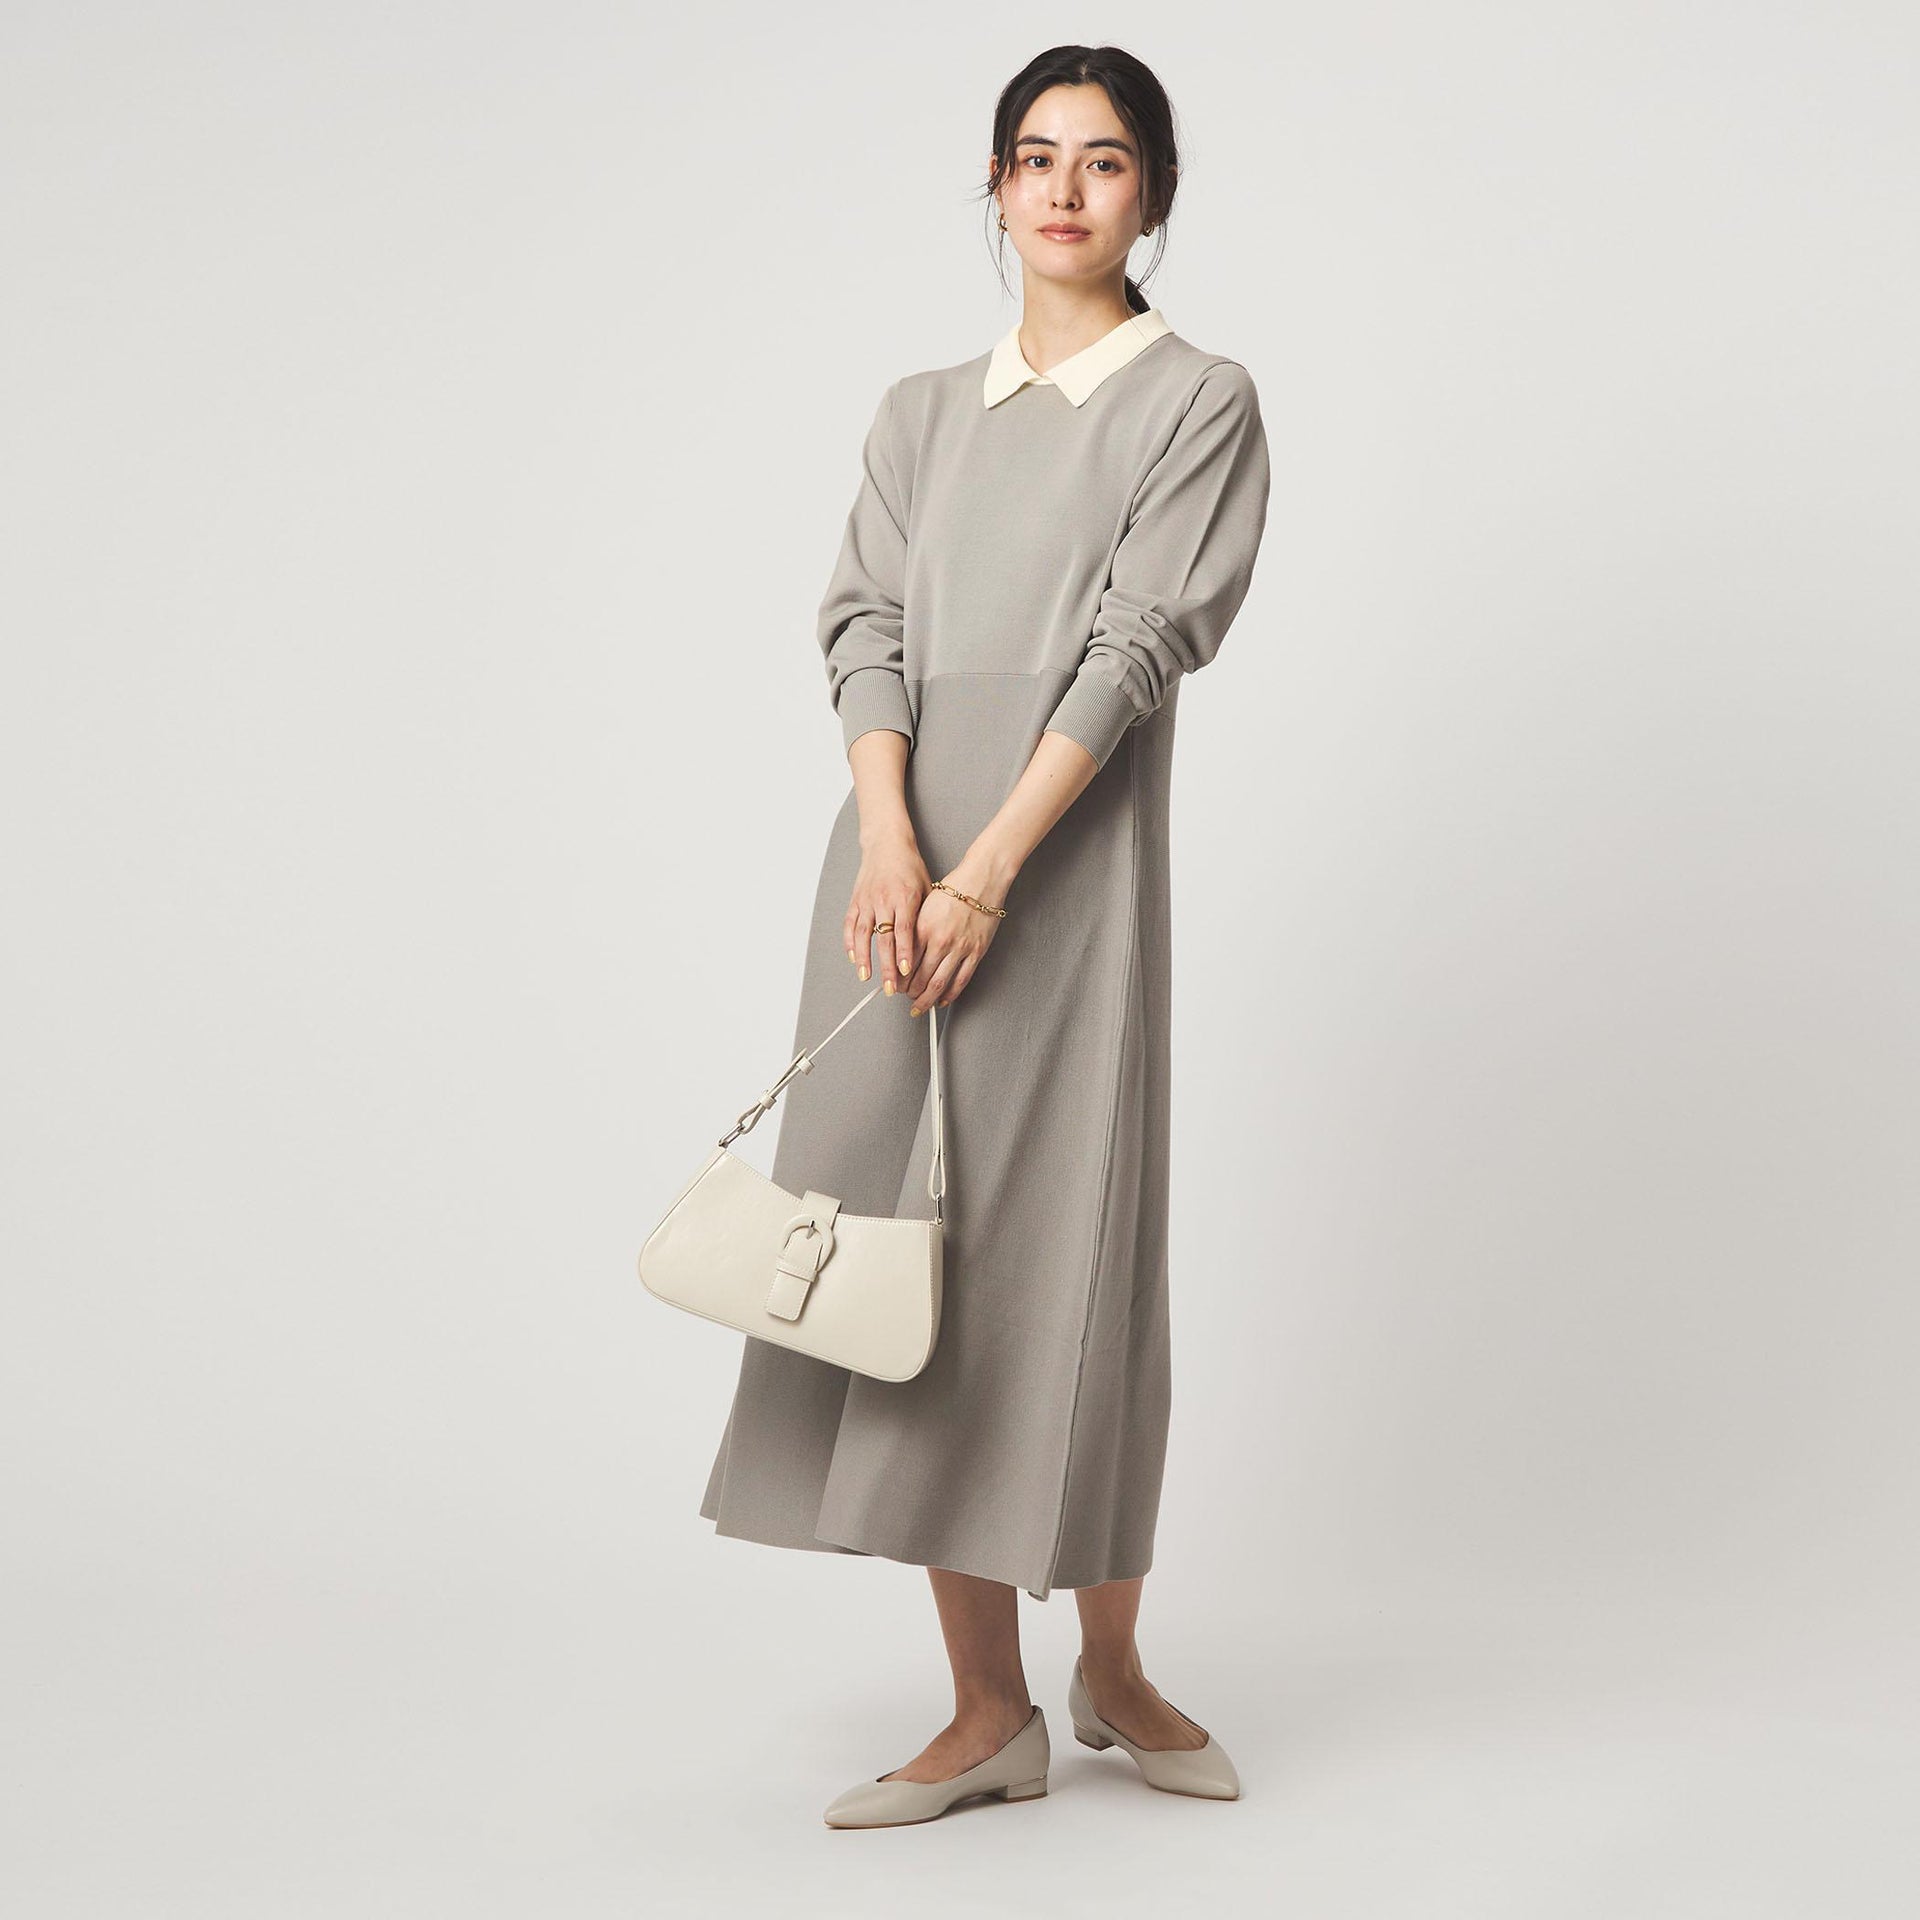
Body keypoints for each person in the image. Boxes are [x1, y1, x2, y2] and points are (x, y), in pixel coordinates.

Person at [695, 44, 1272, 1827]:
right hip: (892, 884)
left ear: (1152, 194)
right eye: (1034, 157)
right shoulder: (922, 411)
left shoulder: (1198, 400)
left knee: (1070, 1265)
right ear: (998, 186)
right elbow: (863, 624)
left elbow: (1137, 645)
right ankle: (985, 1709)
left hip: (1059, 882)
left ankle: (1112, 1669)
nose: (1064, 190)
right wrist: (893, 842)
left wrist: (991, 869)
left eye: (1103, 160)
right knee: (911, 1274)